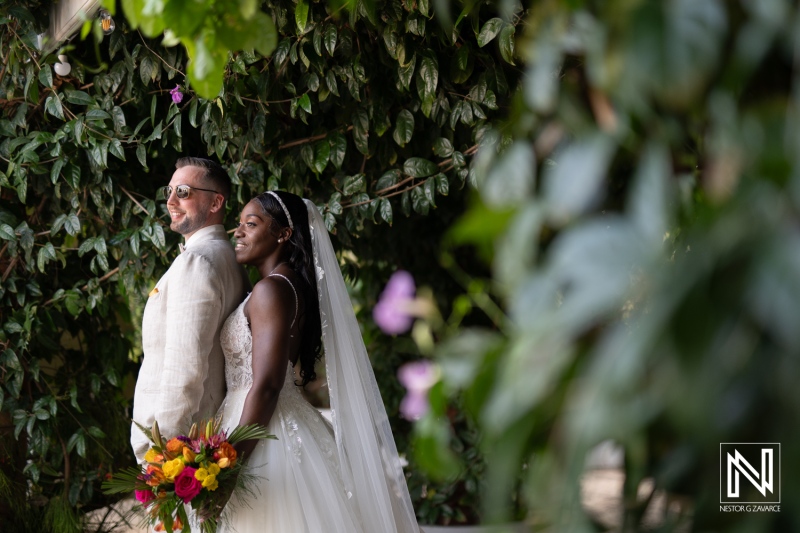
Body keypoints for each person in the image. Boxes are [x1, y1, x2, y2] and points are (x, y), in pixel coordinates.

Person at [215, 191, 420, 532]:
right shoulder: (288, 285)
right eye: (239, 224)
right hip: (275, 424)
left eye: (250, 224)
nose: (238, 232)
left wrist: (229, 467)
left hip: (259, 430)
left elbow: (266, 385)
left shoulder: (271, 290)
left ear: (283, 234)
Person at [131, 157, 249, 462]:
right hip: (205, 441)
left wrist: (163, 455)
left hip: (181, 450)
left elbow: (185, 371)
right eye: (169, 191)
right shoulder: (227, 258)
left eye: (183, 191)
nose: (171, 200)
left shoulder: (197, 262)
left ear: (215, 203)